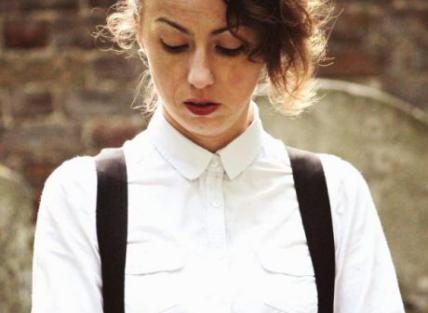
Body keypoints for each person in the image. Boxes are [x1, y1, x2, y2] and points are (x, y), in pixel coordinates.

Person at [31, 0, 406, 312]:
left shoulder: (334, 195)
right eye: (174, 43)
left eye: (229, 47)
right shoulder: (82, 197)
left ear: (271, 42)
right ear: (140, 30)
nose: (199, 76)